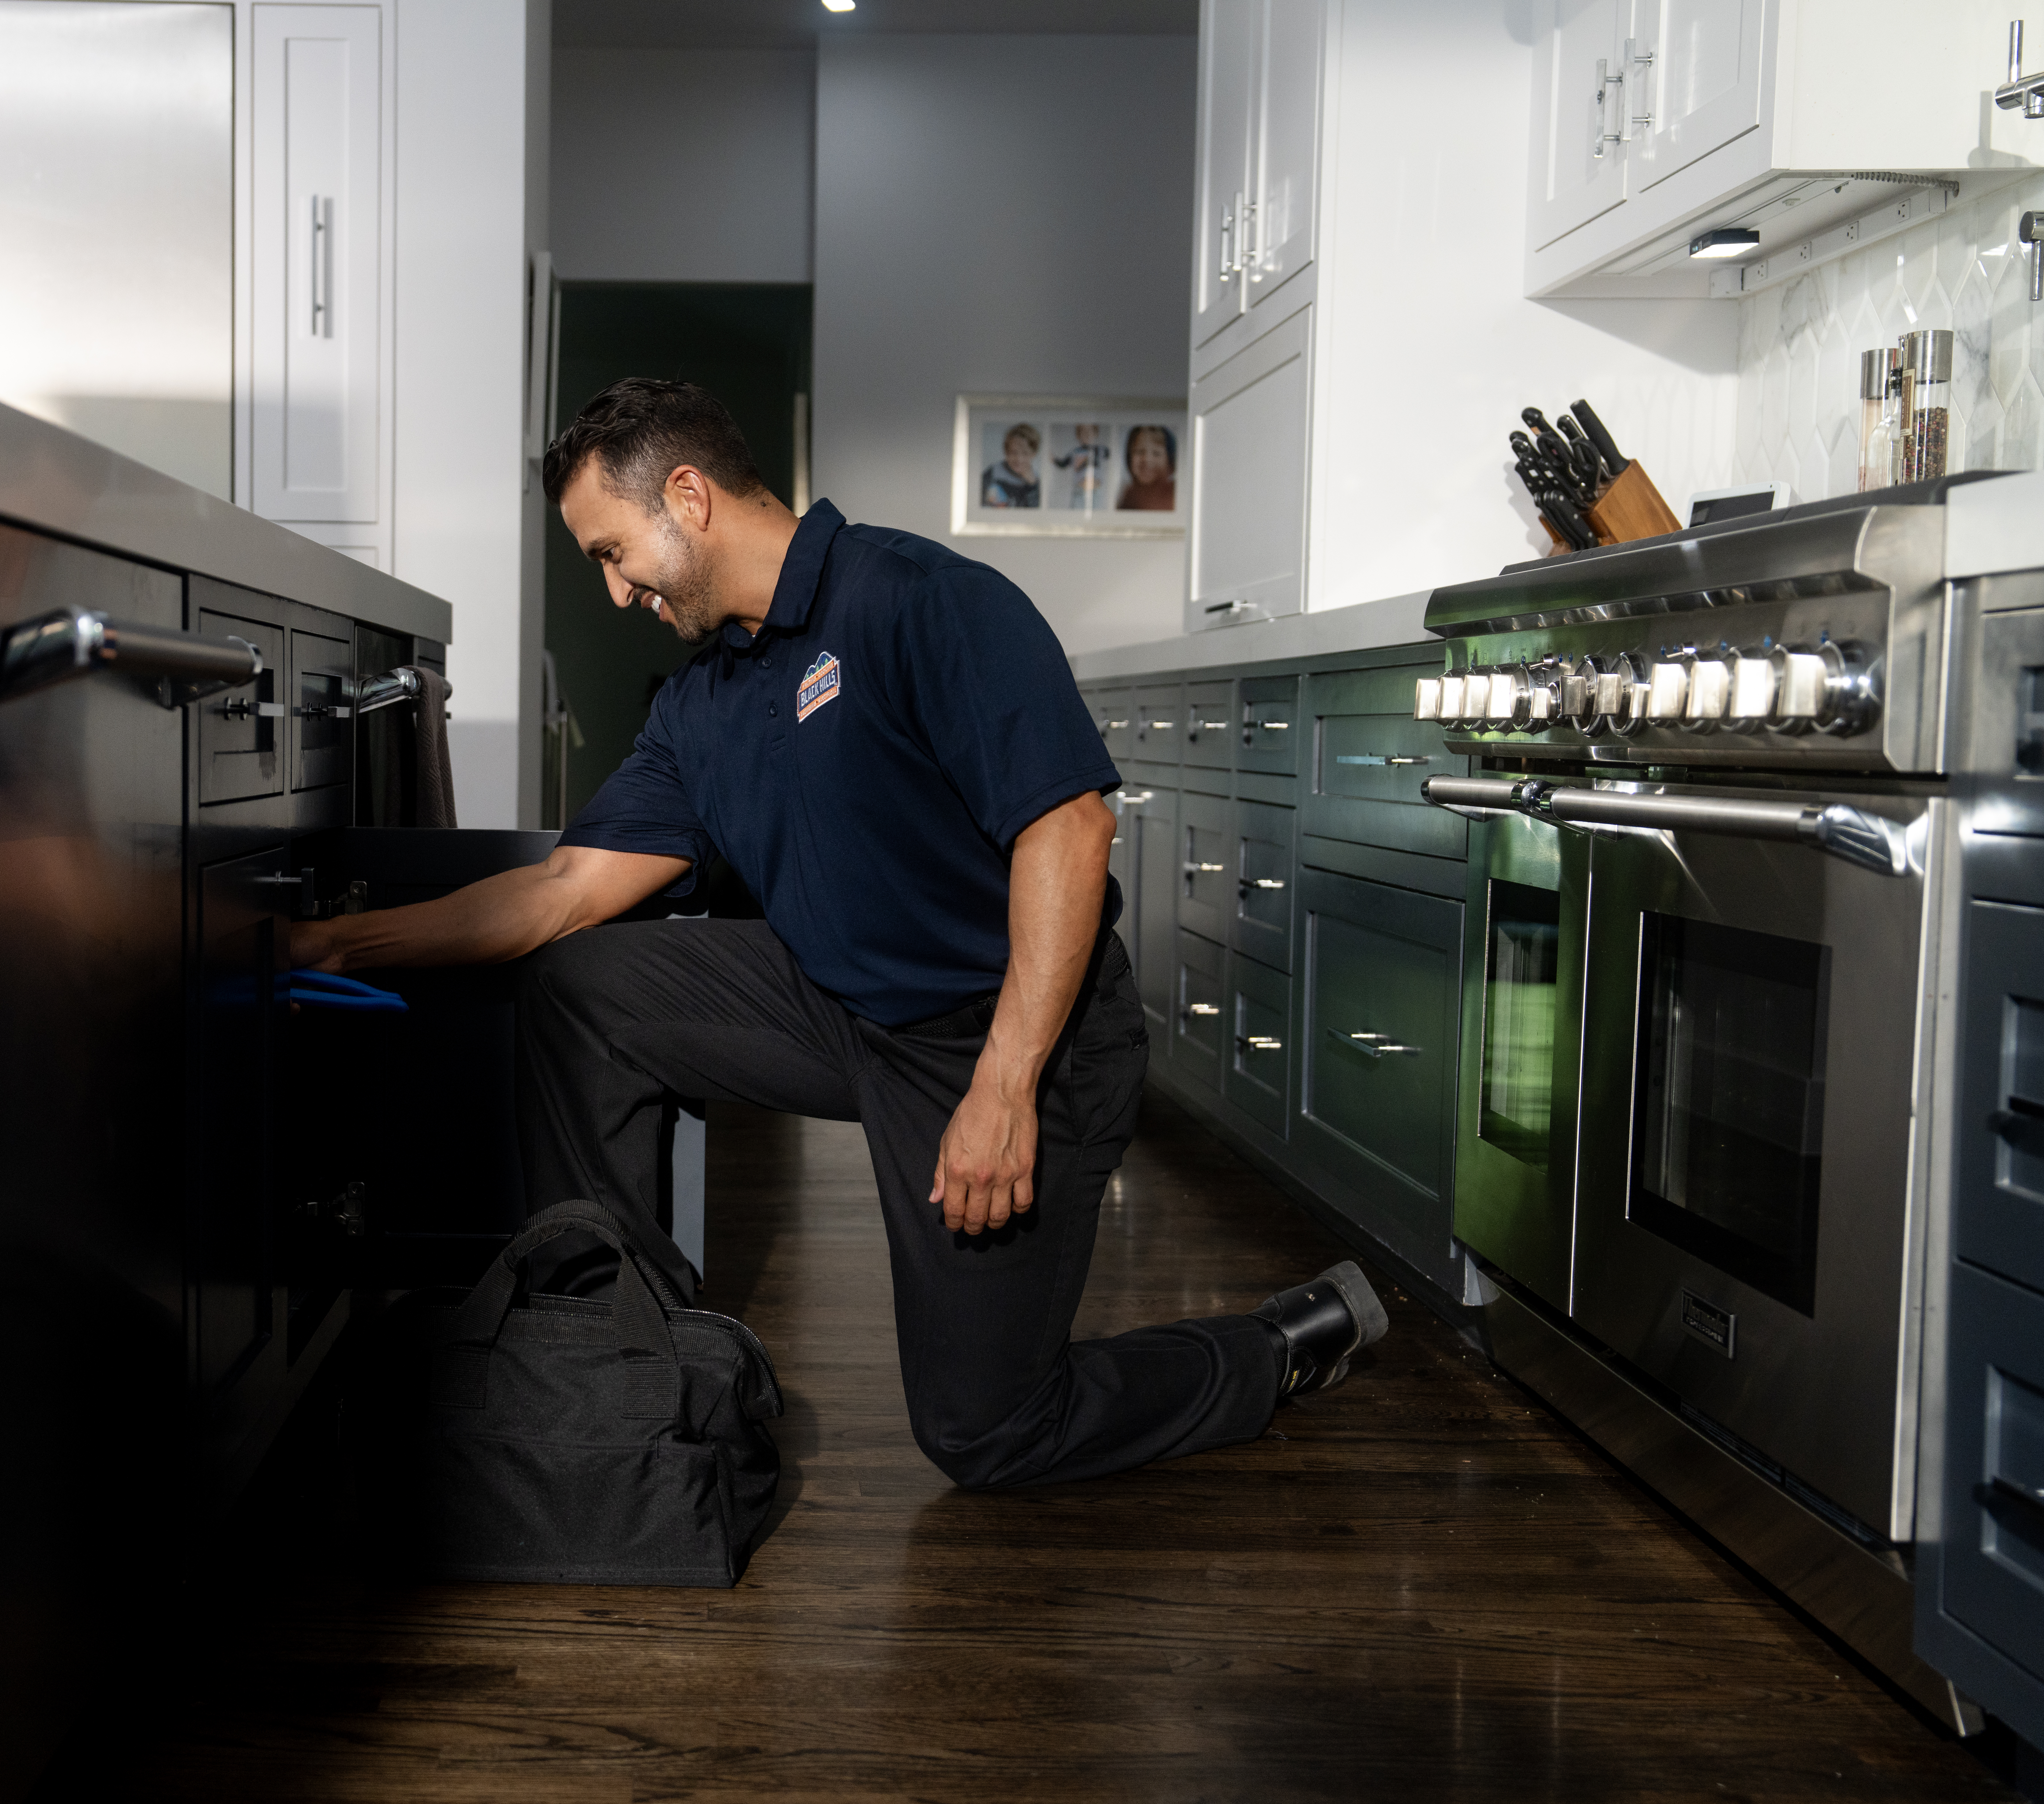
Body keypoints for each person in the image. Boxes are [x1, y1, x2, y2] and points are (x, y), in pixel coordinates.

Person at [292, 378, 1384, 1491]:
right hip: (837, 1003)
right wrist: (339, 946)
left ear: (689, 496)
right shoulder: (701, 704)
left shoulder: (919, 601)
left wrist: (1006, 1088)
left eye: (614, 553)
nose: (617, 592)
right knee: (584, 984)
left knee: (989, 1431)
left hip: (1009, 1039)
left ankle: (1278, 1350)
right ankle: (622, 1359)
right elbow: (564, 888)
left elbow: (1072, 827)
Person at [979, 422, 1042, 508]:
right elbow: (979, 501)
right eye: (1014, 453)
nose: (1019, 459)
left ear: (1033, 454)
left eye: (1025, 454)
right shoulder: (994, 473)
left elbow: (1037, 512)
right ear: (1007, 452)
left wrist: (1032, 485)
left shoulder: (1037, 480)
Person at [1053, 422, 1112, 512]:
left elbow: (1108, 454)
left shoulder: (1099, 450)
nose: (1088, 435)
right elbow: (1064, 464)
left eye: (1091, 432)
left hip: (1096, 493)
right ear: (1079, 435)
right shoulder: (1075, 453)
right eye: (1084, 432)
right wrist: (1053, 459)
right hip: (1079, 492)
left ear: (1096, 434)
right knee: (1075, 516)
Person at [1119, 423, 1176, 512]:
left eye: (1157, 454)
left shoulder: (1175, 496)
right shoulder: (1128, 496)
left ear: (1170, 461)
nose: (1147, 460)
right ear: (1129, 458)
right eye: (1140, 452)